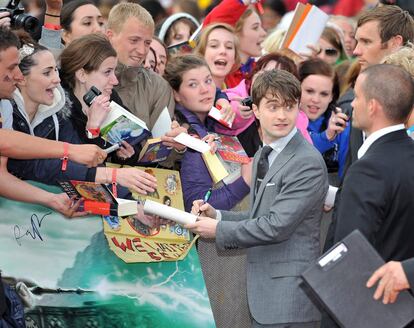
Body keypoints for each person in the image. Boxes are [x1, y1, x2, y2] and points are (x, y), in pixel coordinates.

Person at [186, 69, 328, 328]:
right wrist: (216, 215)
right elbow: (259, 217)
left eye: (289, 107)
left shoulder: (307, 161)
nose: (282, 115)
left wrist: (218, 229)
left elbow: (276, 226)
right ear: (257, 110)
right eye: (273, 107)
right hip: (265, 295)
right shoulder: (264, 154)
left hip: (289, 300)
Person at [323, 64, 414, 326]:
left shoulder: (368, 170)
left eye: (358, 97)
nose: (353, 105)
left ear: (373, 106)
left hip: (370, 312)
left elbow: (349, 255)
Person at [0, 26, 102, 217]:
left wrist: (50, 199)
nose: (18, 75)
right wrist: (70, 151)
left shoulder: (4, 105)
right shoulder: (11, 106)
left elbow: (0, 175)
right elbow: (5, 142)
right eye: (11, 67)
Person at [164, 55, 250, 212]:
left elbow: (216, 91)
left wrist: (222, 99)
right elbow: (197, 205)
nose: (205, 89)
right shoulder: (188, 134)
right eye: (193, 84)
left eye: (208, 80)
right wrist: (245, 182)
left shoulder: (210, 118)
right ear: (175, 94)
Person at [106, 2, 186, 157]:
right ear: (110, 36)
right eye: (134, 40)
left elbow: (160, 154)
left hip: (135, 176)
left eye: (147, 42)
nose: (142, 51)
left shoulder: (158, 86)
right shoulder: (85, 71)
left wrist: (178, 146)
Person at [342, 5, 414, 173]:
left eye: (366, 42)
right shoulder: (360, 97)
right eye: (357, 40)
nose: (356, 51)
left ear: (396, 42)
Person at [298, 59, 350, 180]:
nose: (316, 99)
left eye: (324, 94)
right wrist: (327, 136)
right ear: (296, 88)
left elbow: (346, 175)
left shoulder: (340, 124)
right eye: (309, 91)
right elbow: (299, 151)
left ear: (332, 96)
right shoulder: (284, 119)